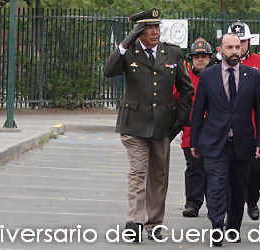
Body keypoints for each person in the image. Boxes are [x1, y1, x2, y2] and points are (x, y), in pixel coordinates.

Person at [102, 8, 194, 242]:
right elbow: (109, 71)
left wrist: (179, 121)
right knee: (138, 172)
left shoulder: (171, 53)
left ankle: (154, 223)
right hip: (134, 125)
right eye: (149, 28)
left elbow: (186, 89)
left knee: (158, 176)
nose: (155, 32)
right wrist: (125, 42)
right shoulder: (129, 52)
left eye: (157, 27)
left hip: (163, 126)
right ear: (139, 31)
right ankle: (134, 221)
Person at [188, 33, 260, 247]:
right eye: (230, 47)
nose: (235, 51)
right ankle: (216, 227)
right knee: (216, 184)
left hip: (242, 142)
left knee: (238, 187)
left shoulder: (252, 76)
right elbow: (198, 111)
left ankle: (233, 228)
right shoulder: (208, 76)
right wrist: (194, 141)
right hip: (215, 142)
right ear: (220, 50)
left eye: (238, 47)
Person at [224, 21, 260, 222]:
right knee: (230, 173)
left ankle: (252, 199)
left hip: (256, 127)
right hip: (230, 128)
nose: (238, 46)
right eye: (235, 42)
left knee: (257, 171)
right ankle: (232, 211)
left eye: (243, 42)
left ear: (249, 42)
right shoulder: (220, 62)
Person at [180, 38, 214, 218]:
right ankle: (192, 203)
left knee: (212, 169)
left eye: (204, 56)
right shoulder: (184, 78)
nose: (200, 60)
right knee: (194, 168)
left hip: (213, 131)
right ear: (191, 59)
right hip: (190, 131)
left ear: (210, 58)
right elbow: (175, 100)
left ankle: (214, 204)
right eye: (196, 57)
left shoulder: (217, 76)